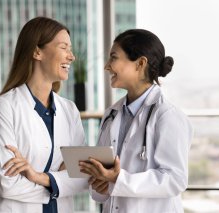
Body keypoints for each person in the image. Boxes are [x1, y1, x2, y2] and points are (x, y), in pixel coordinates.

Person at [79, 29, 193, 213]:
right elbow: (104, 185)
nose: (107, 66)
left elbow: (175, 179)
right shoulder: (112, 114)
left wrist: (118, 179)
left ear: (140, 63)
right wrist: (102, 182)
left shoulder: (167, 115)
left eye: (113, 58)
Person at [0, 17, 87, 213]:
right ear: (37, 51)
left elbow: (82, 177)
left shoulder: (69, 110)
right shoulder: (4, 107)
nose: (71, 56)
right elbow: (7, 184)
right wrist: (59, 183)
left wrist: (36, 176)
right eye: (64, 47)